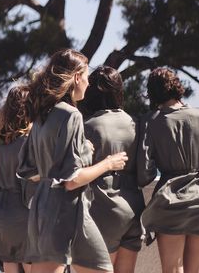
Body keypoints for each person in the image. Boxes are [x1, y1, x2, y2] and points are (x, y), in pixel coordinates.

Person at [17, 49, 128, 273]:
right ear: (77, 77)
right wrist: (109, 163)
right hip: (63, 211)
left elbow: (29, 170)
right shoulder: (70, 115)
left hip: (47, 207)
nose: (88, 83)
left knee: (102, 268)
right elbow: (72, 180)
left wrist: (77, 152)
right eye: (86, 76)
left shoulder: (42, 114)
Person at [137, 67, 199, 273]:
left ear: (152, 93)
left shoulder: (149, 122)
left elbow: (145, 173)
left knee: (172, 269)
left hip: (170, 201)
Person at [80, 66, 145, 273]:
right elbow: (145, 173)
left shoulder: (87, 125)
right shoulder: (136, 123)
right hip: (133, 209)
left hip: (101, 208)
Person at [0, 84, 33, 273]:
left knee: (10, 267)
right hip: (25, 214)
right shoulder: (29, 143)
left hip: (2, 214)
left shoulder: (3, 144)